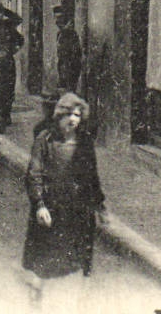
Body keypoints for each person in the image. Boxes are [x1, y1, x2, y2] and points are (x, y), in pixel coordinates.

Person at [22, 93, 106, 286]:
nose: (72, 120)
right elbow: (34, 174)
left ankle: (79, 297)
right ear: (59, 116)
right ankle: (37, 293)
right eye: (68, 115)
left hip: (77, 207)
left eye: (77, 115)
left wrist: (99, 206)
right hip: (52, 206)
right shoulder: (45, 139)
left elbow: (91, 175)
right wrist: (40, 205)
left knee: (79, 257)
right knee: (44, 258)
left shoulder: (84, 142)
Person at [54, 5, 84, 96]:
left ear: (65, 18)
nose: (56, 21)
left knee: (69, 92)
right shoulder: (60, 33)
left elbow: (75, 53)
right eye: (55, 17)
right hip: (63, 66)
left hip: (70, 68)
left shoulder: (70, 33)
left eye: (59, 17)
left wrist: (68, 69)